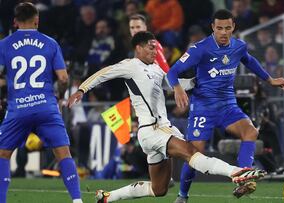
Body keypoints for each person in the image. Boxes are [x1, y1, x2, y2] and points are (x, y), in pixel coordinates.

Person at [66, 31, 265, 203]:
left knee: (159, 189)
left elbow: (175, 85)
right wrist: (82, 89)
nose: (155, 52)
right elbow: (104, 73)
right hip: (153, 130)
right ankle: (235, 172)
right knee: (191, 152)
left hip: (158, 131)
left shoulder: (156, 69)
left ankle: (107, 197)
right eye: (151, 48)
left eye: (156, 48)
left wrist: (201, 80)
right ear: (138, 48)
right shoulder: (130, 65)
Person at [166, 9, 284, 202]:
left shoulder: (239, 46)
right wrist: (177, 88)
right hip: (203, 107)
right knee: (194, 154)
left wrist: (270, 79)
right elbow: (172, 72)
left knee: (250, 132)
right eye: (219, 28)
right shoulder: (200, 48)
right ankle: (182, 196)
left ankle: (243, 179)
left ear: (233, 27)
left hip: (227, 105)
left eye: (227, 28)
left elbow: (249, 61)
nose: (223, 32)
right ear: (213, 28)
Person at [0, 2, 83, 203]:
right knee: (63, 153)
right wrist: (61, 96)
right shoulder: (50, 43)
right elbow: (63, 78)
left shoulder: (4, 44)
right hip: (46, 106)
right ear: (37, 20)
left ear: (14, 22)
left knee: (3, 155)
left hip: (18, 109)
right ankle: (77, 200)